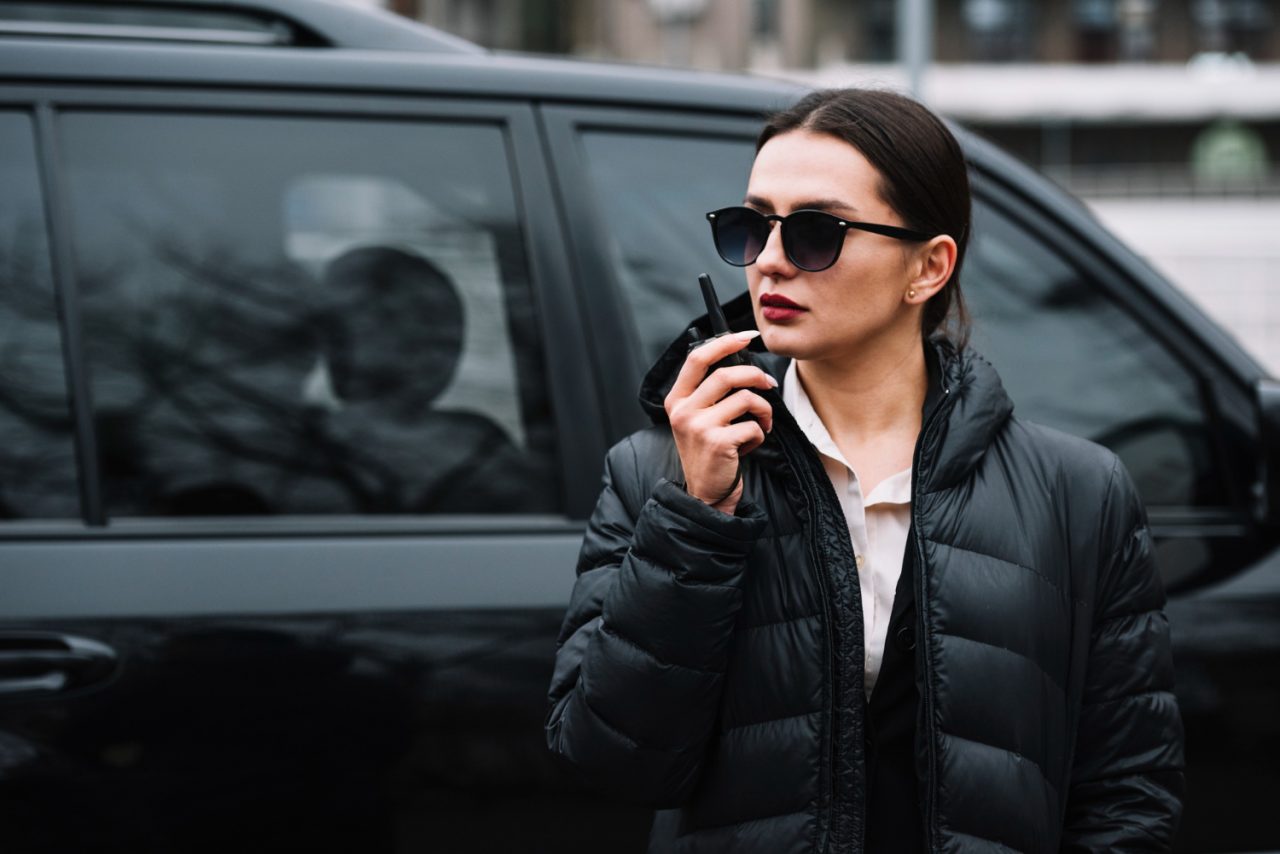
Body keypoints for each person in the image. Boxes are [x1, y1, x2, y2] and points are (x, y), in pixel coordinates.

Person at [545, 88, 1184, 853]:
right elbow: (610, 762)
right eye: (751, 225)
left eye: (817, 233)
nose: (772, 259)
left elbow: (1128, 796)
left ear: (928, 267)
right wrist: (698, 517)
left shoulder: (1077, 493)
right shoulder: (657, 473)